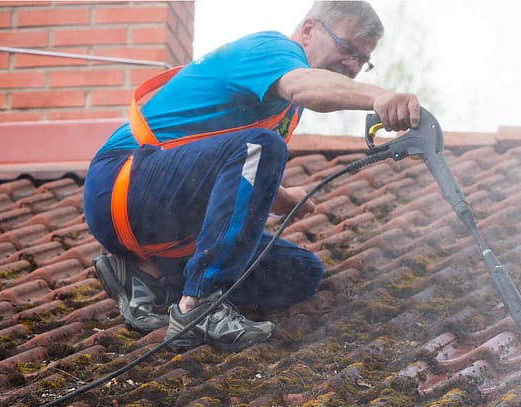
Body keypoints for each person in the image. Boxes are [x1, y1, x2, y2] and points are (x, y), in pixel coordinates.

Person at [83, 1, 420, 351]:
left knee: (300, 273)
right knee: (262, 145)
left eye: (362, 60)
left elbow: (232, 173)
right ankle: (199, 306)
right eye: (348, 48)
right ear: (309, 31)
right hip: (121, 183)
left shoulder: (285, 109)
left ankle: (145, 279)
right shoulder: (271, 49)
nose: (352, 65)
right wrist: (381, 96)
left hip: (166, 219)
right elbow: (298, 93)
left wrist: (283, 196)